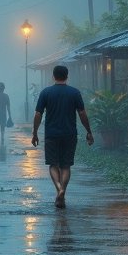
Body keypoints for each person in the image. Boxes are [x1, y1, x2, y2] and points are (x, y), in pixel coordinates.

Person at [31, 65, 92, 209]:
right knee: (66, 165)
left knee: (53, 164)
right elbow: (82, 113)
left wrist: (34, 133)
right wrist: (89, 131)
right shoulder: (74, 93)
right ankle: (62, 192)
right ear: (67, 76)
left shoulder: (46, 93)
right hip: (70, 134)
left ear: (53, 76)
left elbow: (38, 114)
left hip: (51, 135)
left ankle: (59, 189)